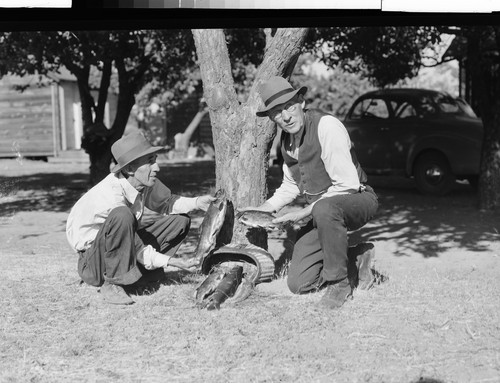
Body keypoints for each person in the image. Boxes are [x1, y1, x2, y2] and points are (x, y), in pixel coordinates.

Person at [247, 76, 379, 309]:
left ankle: (338, 285)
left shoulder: (327, 126)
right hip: (321, 211)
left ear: (301, 101)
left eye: (288, 106)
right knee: (299, 284)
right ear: (271, 118)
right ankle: (356, 258)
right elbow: (290, 186)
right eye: (277, 113)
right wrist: (264, 210)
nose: (285, 116)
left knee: (324, 208)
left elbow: (347, 185)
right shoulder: (286, 142)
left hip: (358, 198)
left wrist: (301, 214)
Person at [66, 131, 215, 305]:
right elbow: (136, 246)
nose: (157, 167)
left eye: (155, 159)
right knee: (122, 215)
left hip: (120, 246)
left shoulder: (143, 182)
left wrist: (198, 203)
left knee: (180, 221)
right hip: (93, 262)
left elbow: (167, 202)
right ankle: (113, 283)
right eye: (150, 162)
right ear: (129, 169)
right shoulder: (111, 195)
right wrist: (170, 262)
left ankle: (143, 274)